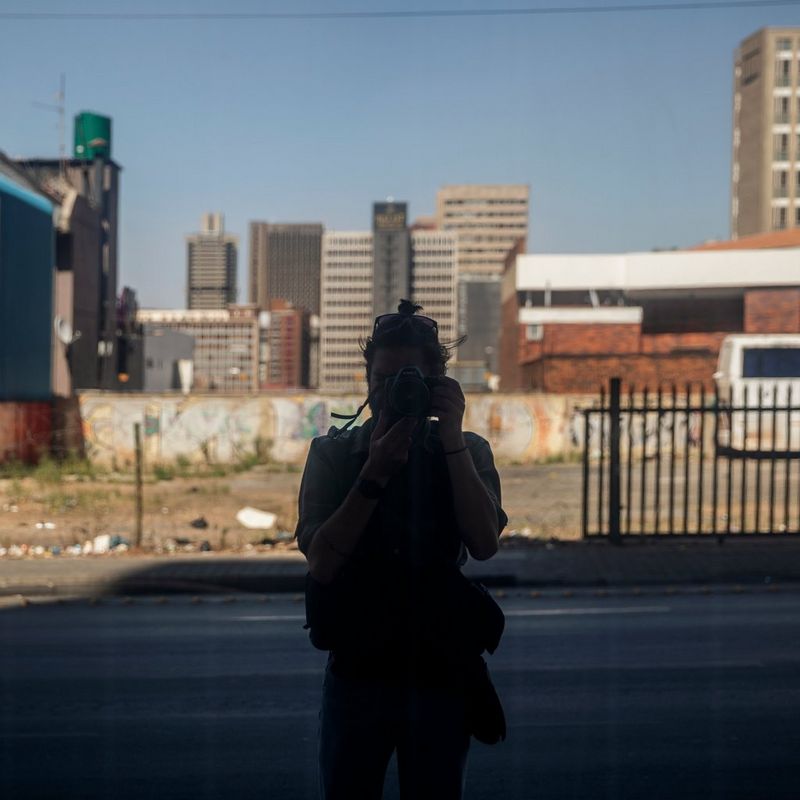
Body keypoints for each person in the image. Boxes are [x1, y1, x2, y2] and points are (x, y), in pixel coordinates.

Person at [295, 299, 508, 800]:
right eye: (382, 380)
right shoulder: (332, 454)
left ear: (436, 384)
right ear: (366, 384)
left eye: (406, 379)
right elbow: (322, 560)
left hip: (439, 668)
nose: (394, 393)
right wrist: (373, 474)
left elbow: (484, 545)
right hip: (357, 669)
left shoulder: (468, 450)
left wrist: (451, 439)